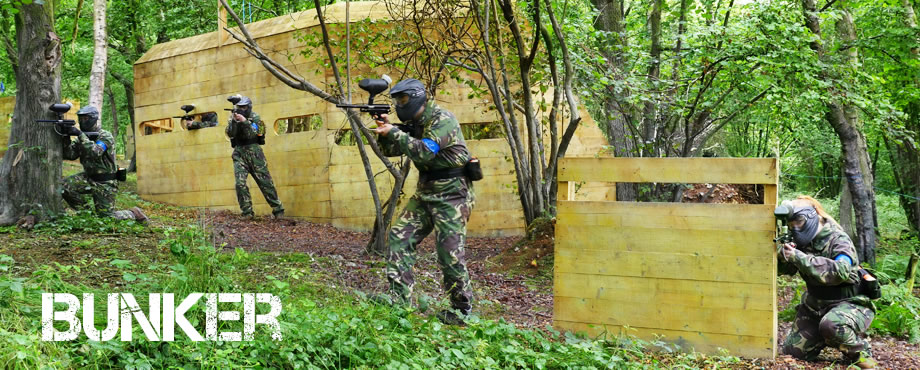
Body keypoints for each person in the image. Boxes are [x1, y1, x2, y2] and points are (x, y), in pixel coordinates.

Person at [372, 79, 475, 326]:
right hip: (425, 192)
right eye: (397, 101)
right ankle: (401, 304)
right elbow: (390, 151)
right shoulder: (414, 124)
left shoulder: (442, 119)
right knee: (399, 236)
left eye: (403, 100)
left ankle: (461, 310)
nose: (399, 105)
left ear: (417, 97)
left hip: (452, 195)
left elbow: (425, 152)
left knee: (449, 254)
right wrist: (385, 131)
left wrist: (394, 132)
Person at [778, 196, 877, 369]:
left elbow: (840, 271)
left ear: (813, 216)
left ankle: (860, 352)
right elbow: (786, 271)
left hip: (849, 303)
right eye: (791, 224)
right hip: (815, 305)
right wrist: (783, 256)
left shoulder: (838, 239)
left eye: (799, 222)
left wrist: (799, 257)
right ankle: (825, 337)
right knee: (793, 351)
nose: (795, 227)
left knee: (831, 325)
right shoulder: (800, 242)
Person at [61, 106, 148, 223]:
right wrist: (66, 137)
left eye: (85, 118)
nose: (82, 121)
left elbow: (95, 152)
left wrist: (80, 135)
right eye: (80, 118)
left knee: (107, 217)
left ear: (93, 119)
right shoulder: (82, 138)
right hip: (88, 178)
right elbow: (70, 155)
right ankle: (87, 215)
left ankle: (132, 213)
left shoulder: (105, 136)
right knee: (64, 186)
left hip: (105, 182)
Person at [224, 95, 284, 219]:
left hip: (255, 153)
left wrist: (244, 122)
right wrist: (234, 121)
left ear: (249, 107)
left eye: (243, 107)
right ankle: (247, 213)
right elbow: (230, 133)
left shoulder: (255, 118)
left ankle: (278, 210)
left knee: (265, 183)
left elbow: (254, 133)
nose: (241, 110)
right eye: (239, 107)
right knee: (240, 184)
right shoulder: (233, 118)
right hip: (239, 153)